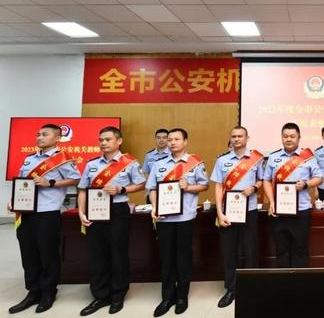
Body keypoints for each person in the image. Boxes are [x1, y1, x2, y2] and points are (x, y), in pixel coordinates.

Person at [8, 124, 81, 314]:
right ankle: (33, 291)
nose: (39, 137)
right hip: (25, 212)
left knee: (48, 254)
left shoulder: (63, 159)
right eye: (38, 134)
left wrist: (51, 182)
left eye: (45, 134)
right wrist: (13, 201)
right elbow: (22, 183)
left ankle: (48, 292)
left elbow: (76, 179)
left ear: (57, 138)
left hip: (47, 212)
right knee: (28, 253)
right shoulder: (29, 158)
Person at [77, 126, 146, 315]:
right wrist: (81, 212)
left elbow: (141, 184)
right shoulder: (91, 164)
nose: (103, 143)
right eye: (101, 140)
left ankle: (118, 295)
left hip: (117, 211)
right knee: (97, 254)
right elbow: (82, 189)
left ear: (119, 141)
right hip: (94, 211)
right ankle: (100, 295)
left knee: (118, 253)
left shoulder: (129, 163)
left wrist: (122, 189)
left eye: (108, 139)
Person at [146, 128, 208, 316]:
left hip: (185, 218)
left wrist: (188, 187)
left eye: (177, 139)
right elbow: (152, 188)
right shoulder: (158, 164)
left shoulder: (195, 163)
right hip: (164, 218)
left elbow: (204, 185)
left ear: (185, 141)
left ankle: (182, 296)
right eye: (170, 139)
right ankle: (167, 297)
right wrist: (155, 206)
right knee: (166, 258)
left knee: (183, 257)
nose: (172, 142)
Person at [211, 126, 263, 308]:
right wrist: (219, 212)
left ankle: (252, 287)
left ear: (247, 138)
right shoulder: (222, 160)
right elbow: (218, 186)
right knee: (229, 252)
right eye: (233, 136)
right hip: (228, 212)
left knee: (250, 250)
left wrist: (254, 188)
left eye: (240, 136)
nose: (237, 139)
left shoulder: (257, 159)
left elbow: (262, 180)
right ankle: (231, 289)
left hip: (249, 211)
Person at [262, 122, 323, 268]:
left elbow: (319, 178)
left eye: (292, 136)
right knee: (281, 250)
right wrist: (272, 202)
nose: (289, 139)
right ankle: (283, 281)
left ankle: (299, 282)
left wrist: (306, 184)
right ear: (281, 137)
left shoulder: (308, 157)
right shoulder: (273, 157)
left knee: (300, 250)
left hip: (301, 211)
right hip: (279, 211)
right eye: (285, 136)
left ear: (299, 138)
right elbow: (266, 180)